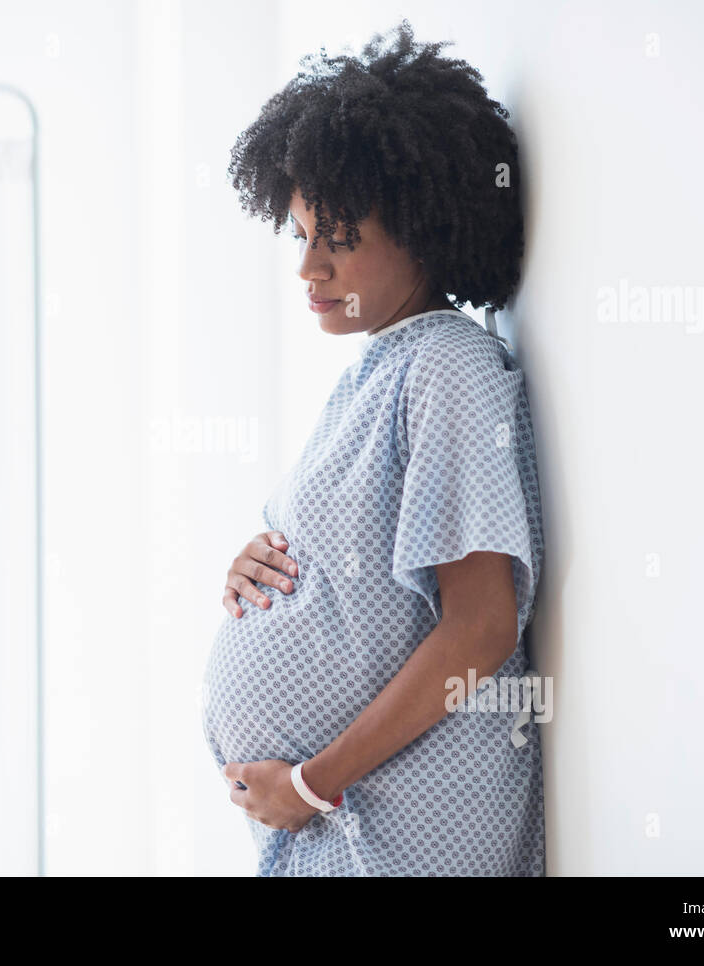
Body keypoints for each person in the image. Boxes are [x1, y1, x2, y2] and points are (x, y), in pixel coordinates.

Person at [200, 21, 546, 876]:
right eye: (302, 235)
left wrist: (314, 785)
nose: (309, 267)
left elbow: (482, 626)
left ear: (426, 227)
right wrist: (261, 567)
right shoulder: (382, 365)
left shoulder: (446, 365)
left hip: (399, 832)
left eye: (340, 239)